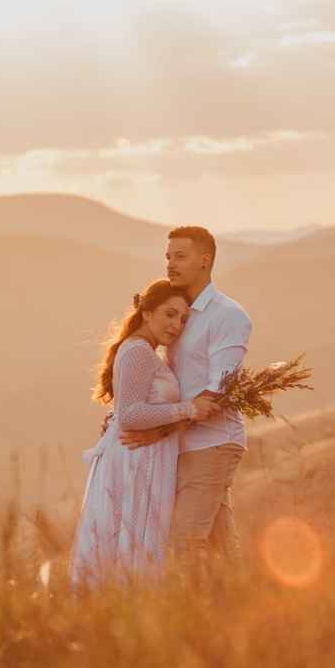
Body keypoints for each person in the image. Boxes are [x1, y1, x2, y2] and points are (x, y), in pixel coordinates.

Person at [70, 279, 220, 588]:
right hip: (134, 463)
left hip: (143, 459)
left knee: (134, 550)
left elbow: (127, 407)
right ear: (147, 313)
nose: (177, 325)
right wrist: (189, 409)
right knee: (132, 550)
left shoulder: (145, 352)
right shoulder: (138, 351)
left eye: (182, 319)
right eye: (169, 314)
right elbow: (130, 415)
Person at [121, 226, 252, 572]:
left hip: (213, 443)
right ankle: (251, 606)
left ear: (205, 260)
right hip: (182, 445)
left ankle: (198, 621)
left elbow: (218, 392)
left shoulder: (228, 316)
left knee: (184, 542)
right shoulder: (178, 312)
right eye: (168, 257)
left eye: (180, 256)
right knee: (220, 545)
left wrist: (160, 430)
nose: (170, 265)